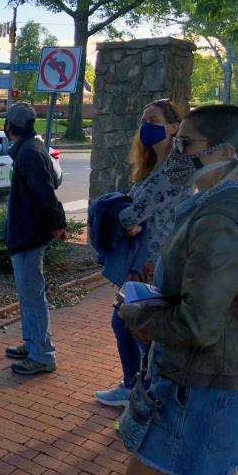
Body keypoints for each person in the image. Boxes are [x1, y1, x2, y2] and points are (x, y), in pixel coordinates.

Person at [118, 104, 238, 475]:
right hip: (190, 383)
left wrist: (136, 315)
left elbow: (199, 324)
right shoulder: (211, 206)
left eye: (186, 144)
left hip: (202, 393)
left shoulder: (219, 222)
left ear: (225, 153)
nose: (177, 153)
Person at [94, 99, 191, 407]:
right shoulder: (153, 165)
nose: (146, 126)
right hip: (145, 259)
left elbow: (134, 213)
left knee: (133, 324)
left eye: (154, 120)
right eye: (143, 120)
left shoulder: (177, 167)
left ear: (174, 127)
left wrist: (126, 218)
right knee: (129, 322)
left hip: (156, 262)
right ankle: (138, 386)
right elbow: (135, 211)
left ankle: (142, 390)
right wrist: (129, 217)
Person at [2, 103, 67, 376]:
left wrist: (58, 223)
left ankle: (42, 354)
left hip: (29, 234)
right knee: (29, 295)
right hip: (28, 232)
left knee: (32, 295)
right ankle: (32, 344)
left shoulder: (28, 153)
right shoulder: (32, 148)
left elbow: (46, 193)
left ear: (10, 127)